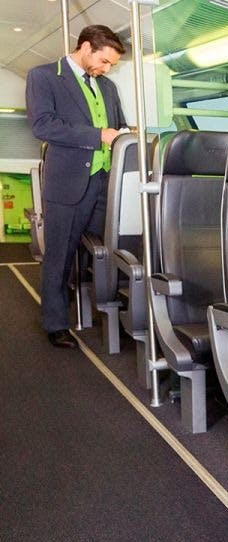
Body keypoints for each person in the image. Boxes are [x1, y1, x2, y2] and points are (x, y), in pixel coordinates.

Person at [26, 25, 127, 349]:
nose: (106, 69)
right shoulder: (43, 76)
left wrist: (125, 131)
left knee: (109, 251)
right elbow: (43, 125)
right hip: (67, 182)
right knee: (60, 255)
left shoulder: (108, 87)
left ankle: (115, 312)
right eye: (104, 61)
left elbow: (118, 124)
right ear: (85, 47)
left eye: (111, 64)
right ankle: (55, 323)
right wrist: (98, 135)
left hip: (103, 183)